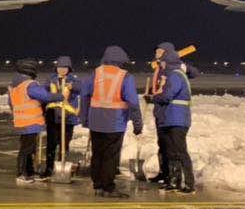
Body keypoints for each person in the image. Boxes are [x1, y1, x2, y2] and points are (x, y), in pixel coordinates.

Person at [78, 45, 143, 197]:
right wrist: (137, 123)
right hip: (115, 122)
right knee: (110, 156)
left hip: (96, 121)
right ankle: (108, 187)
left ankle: (98, 185)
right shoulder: (125, 76)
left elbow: (85, 96)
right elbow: (133, 102)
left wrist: (85, 118)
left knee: (98, 154)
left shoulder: (95, 73)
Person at [146, 43, 194, 193]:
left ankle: (189, 183)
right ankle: (174, 181)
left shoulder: (176, 75)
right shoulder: (170, 74)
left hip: (177, 118)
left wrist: (153, 98)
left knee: (179, 151)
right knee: (171, 151)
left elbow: (167, 95)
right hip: (169, 117)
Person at [9, 58, 58, 183]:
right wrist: (60, 95)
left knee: (27, 147)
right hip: (30, 122)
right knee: (26, 149)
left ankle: (29, 171)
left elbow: (11, 103)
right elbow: (45, 96)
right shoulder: (29, 84)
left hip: (21, 121)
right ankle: (21, 173)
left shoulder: (14, 85)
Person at [40, 55, 80, 178]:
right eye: (59, 67)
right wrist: (42, 111)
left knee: (64, 144)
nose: (62, 70)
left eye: (65, 67)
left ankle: (62, 167)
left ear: (69, 69)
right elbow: (43, 95)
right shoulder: (51, 80)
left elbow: (82, 89)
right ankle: (49, 168)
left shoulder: (73, 80)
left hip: (68, 118)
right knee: (51, 144)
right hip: (52, 117)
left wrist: (73, 87)